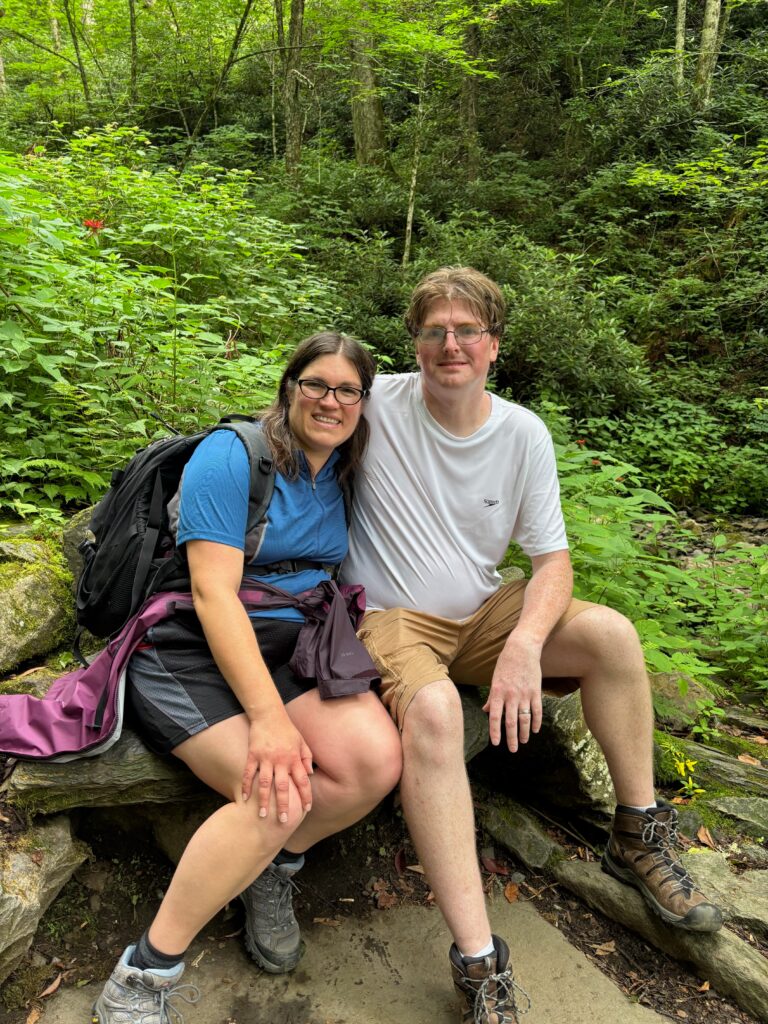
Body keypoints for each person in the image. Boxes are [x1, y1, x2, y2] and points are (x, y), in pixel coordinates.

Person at [341, 268, 723, 1024]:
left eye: (468, 330)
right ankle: (480, 961)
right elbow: (293, 412)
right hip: (391, 616)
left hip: (486, 607)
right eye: (434, 330)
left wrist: (522, 648)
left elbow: (552, 562)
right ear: (414, 342)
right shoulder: (372, 402)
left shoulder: (521, 433)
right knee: (441, 713)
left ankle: (638, 832)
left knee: (610, 635)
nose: (451, 344)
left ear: (494, 345)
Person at [92, 332, 403, 1024]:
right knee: (278, 792)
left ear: (363, 403)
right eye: (316, 383)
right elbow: (212, 595)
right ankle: (143, 974)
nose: (330, 400)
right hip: (189, 646)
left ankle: (271, 869)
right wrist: (270, 722)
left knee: (373, 763)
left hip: (293, 642)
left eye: (347, 389)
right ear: (288, 387)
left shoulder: (344, 470)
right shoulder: (234, 456)